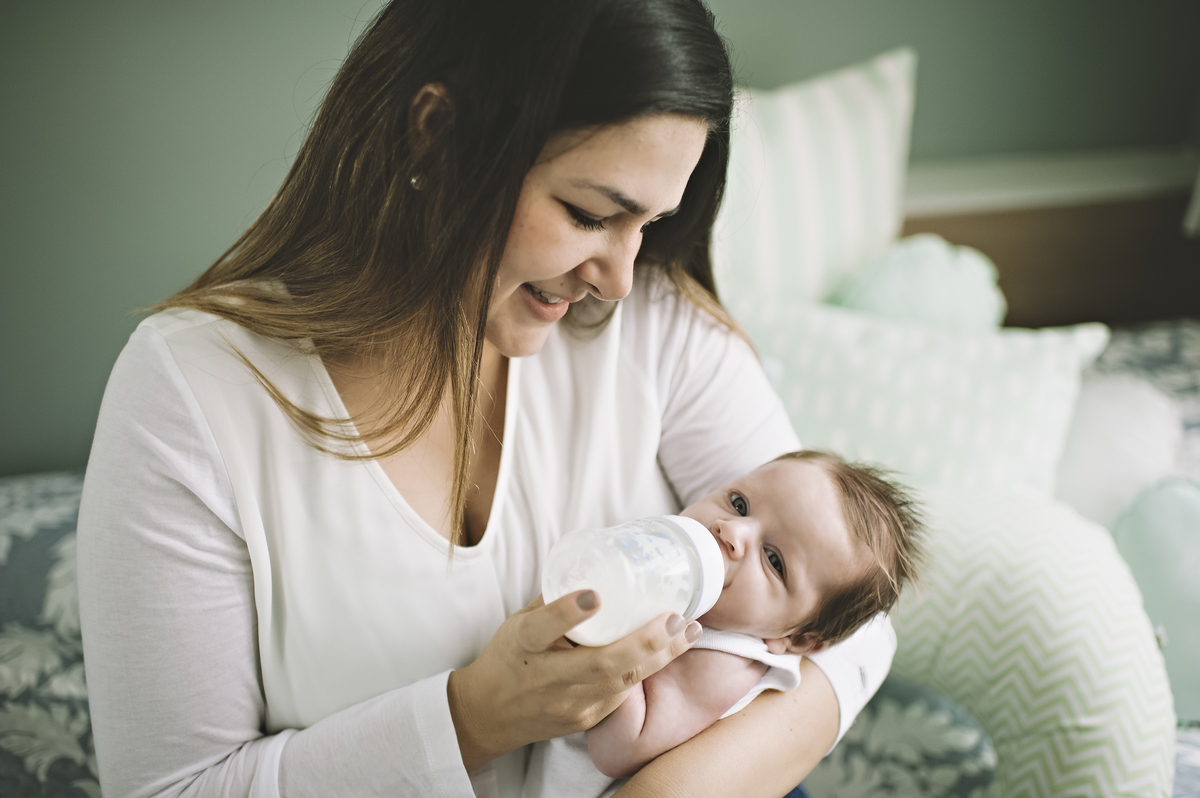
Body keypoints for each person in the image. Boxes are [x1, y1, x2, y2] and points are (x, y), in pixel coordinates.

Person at [75, 1, 899, 796]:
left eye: (648, 225)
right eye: (588, 214)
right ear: (436, 133)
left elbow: (850, 624)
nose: (618, 277)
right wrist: (470, 719)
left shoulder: (653, 323)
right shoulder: (194, 392)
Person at [525, 450, 923, 797]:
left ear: (797, 639)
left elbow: (617, 747)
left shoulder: (721, 660)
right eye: (739, 503)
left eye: (774, 560)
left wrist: (624, 620)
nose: (732, 531)